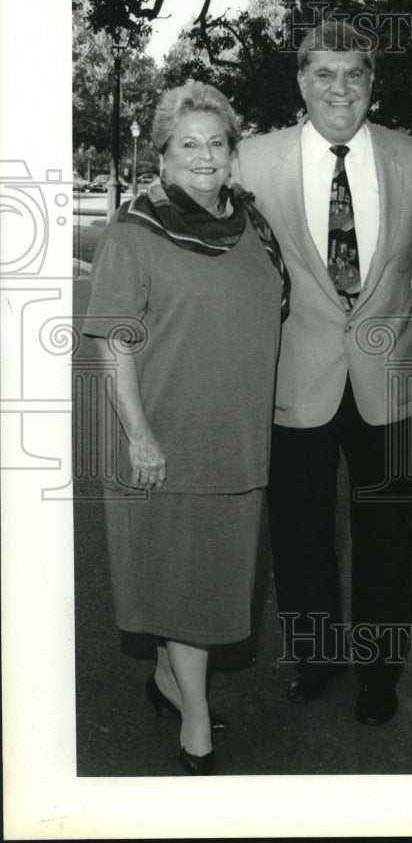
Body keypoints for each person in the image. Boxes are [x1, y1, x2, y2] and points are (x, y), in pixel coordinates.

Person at [82, 82, 289, 775]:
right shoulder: (135, 232)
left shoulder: (252, 223)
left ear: (233, 151)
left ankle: (171, 681)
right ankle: (194, 718)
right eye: (187, 144)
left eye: (217, 142)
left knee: (201, 575)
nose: (204, 156)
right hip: (164, 434)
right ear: (162, 155)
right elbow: (113, 340)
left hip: (235, 435)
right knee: (185, 577)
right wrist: (139, 435)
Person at [236, 20, 412, 726]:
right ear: (301, 81)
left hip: (389, 381)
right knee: (299, 533)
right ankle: (316, 658)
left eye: (354, 73)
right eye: (323, 73)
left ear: (372, 82)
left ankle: (380, 674)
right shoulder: (253, 161)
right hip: (296, 377)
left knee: (385, 535)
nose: (339, 88)